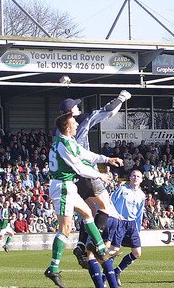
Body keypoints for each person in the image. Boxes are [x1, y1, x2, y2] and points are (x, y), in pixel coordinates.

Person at [44, 113, 119, 288]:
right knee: (65, 229)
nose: (77, 125)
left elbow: (86, 154)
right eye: (74, 123)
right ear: (68, 128)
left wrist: (107, 159)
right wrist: (100, 174)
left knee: (87, 214)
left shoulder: (65, 141)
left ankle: (101, 249)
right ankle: (53, 268)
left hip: (67, 185)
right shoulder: (64, 144)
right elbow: (80, 167)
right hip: (62, 186)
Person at [59, 91, 130, 269]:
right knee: (105, 207)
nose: (78, 106)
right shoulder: (82, 119)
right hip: (86, 173)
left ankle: (81, 245)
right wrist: (122, 97)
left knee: (88, 212)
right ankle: (96, 246)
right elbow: (110, 111)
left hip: (74, 178)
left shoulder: (59, 130)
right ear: (72, 111)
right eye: (76, 105)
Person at [100, 170, 145, 288]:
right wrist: (114, 215)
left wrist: (138, 229)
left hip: (132, 224)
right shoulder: (122, 190)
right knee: (114, 251)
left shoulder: (142, 195)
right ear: (130, 178)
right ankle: (103, 278)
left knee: (137, 253)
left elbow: (140, 213)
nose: (135, 178)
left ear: (141, 179)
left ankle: (117, 272)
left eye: (138, 176)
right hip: (119, 222)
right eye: (133, 176)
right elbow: (110, 202)